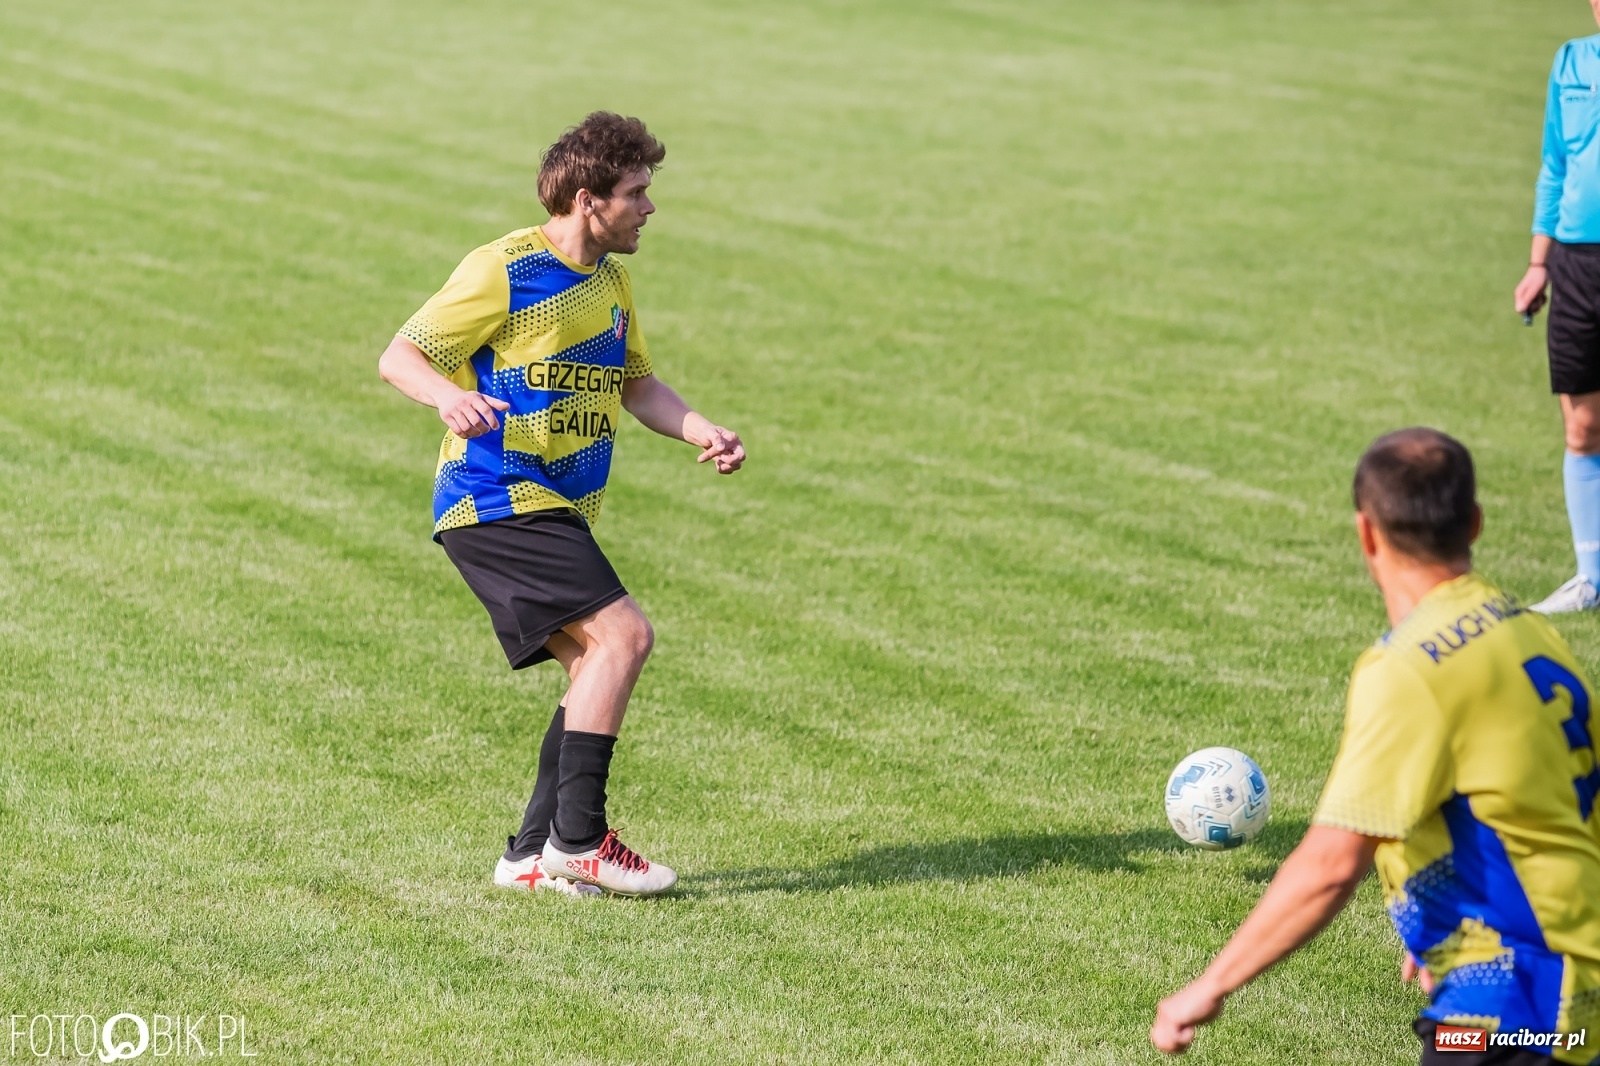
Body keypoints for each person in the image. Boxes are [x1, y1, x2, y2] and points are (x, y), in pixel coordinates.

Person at [377, 112, 746, 897]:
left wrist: (700, 429)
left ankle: (528, 855)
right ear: (587, 199)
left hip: (550, 505)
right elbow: (400, 355)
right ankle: (580, 840)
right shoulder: (505, 267)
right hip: (495, 493)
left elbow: (636, 385)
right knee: (626, 635)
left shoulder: (611, 283)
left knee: (592, 671)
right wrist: (447, 397)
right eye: (635, 192)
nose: (649, 207)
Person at [1150, 428, 1600, 1064]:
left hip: (1515, 1010)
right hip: (1576, 1000)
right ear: (1475, 522)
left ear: (1366, 533)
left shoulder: (1411, 669)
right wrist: (1442, 915)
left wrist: (1209, 987)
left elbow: (1332, 865)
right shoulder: (1529, 630)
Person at [1517, 0, 1600, 614]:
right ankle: (1591, 578)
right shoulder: (1570, 62)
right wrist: (1538, 263)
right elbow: (1555, 165)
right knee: (1582, 426)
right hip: (1574, 261)